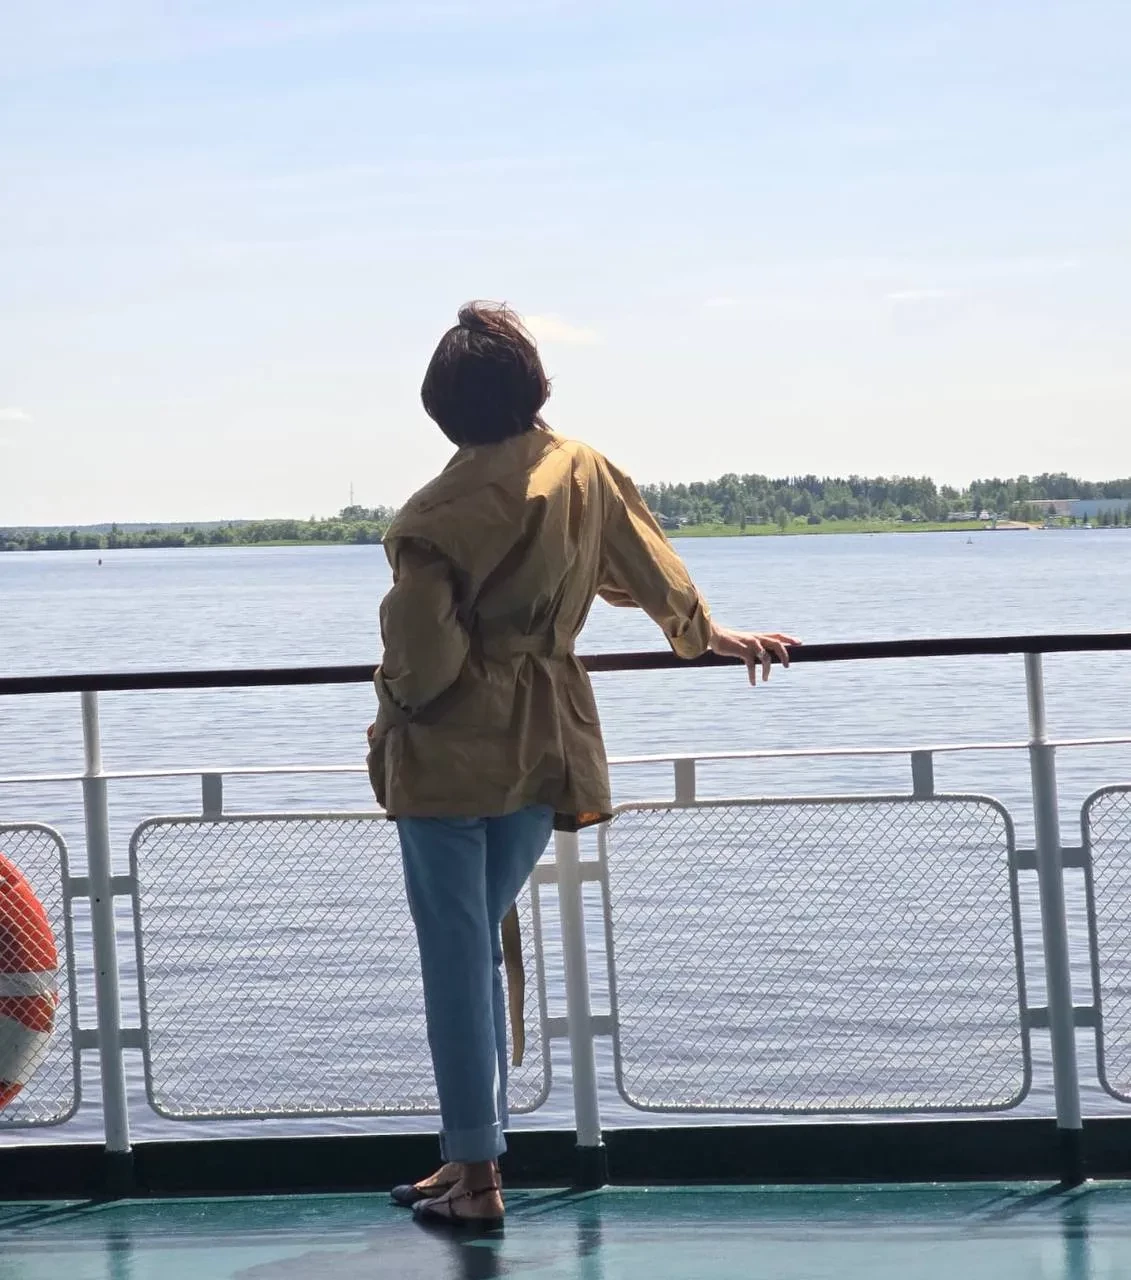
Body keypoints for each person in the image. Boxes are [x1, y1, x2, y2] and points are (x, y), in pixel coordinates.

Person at [366, 302, 797, 1230]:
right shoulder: (583, 469)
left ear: (442, 409)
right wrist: (706, 635)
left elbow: (422, 659)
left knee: (456, 960)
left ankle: (478, 1178)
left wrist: (389, 708)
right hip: (550, 737)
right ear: (534, 387)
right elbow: (648, 568)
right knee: (478, 947)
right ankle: (467, 1157)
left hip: (449, 755)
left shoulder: (433, 516)